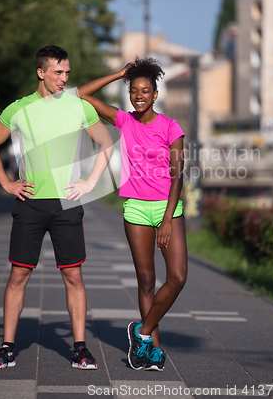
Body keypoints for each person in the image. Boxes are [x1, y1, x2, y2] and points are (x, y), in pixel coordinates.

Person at [0, 45, 113, 370]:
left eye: (67, 73)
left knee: (74, 277)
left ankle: (80, 348)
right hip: (30, 204)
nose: (64, 79)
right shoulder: (19, 109)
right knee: (18, 276)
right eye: (58, 73)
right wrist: (6, 183)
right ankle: (7, 347)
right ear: (41, 72)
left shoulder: (78, 107)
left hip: (67, 204)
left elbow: (106, 143)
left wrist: (91, 182)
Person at [77, 57, 187, 372]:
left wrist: (167, 219)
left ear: (155, 95)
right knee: (147, 280)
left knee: (177, 277)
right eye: (134, 91)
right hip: (136, 208)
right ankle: (152, 348)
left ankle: (141, 332)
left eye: (145, 91)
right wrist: (120, 73)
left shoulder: (170, 127)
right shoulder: (124, 121)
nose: (139, 96)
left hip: (168, 209)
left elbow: (178, 176)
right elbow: (82, 94)